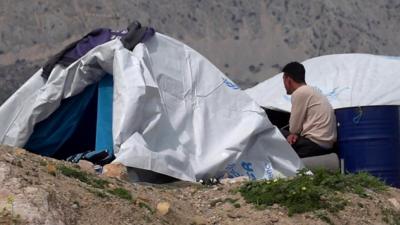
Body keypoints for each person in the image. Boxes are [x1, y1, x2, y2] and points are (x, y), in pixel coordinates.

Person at [280, 62, 337, 158]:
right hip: (327, 145)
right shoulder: (313, 91)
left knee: (274, 132)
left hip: (314, 144)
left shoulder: (300, 93)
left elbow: (294, 128)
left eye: (283, 80)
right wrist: (295, 134)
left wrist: (294, 133)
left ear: (288, 79)